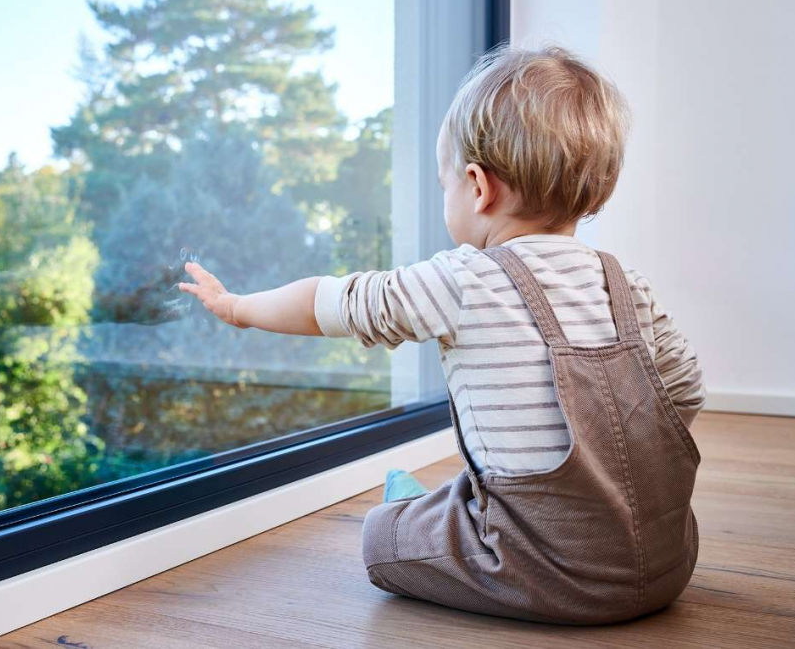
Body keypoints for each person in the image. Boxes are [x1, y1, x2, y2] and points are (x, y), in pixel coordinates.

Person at [179, 45, 705, 624]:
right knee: (485, 491)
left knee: (383, 539)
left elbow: (332, 303)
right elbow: (684, 391)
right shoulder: (624, 281)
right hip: (666, 563)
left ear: (478, 187)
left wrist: (238, 308)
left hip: (551, 573)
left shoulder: (464, 279)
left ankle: (413, 507)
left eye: (443, 182)